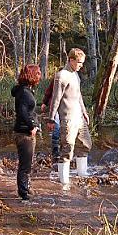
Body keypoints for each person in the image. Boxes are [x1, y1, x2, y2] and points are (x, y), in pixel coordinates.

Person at [47, 48, 92, 189]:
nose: (81, 65)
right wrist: (51, 118)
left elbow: (78, 95)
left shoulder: (75, 75)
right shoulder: (62, 75)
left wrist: (84, 112)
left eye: (82, 63)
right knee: (67, 148)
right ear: (71, 60)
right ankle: (64, 182)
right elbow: (55, 98)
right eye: (79, 62)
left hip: (79, 116)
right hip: (67, 118)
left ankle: (82, 174)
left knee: (85, 144)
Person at [12, 64, 42, 200]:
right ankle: (23, 193)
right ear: (31, 75)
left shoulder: (25, 90)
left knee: (27, 164)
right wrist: (31, 126)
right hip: (24, 133)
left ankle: (26, 188)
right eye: (37, 74)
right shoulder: (24, 93)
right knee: (25, 165)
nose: (39, 76)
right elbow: (22, 112)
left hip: (25, 132)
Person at [39, 78, 60, 161]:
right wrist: (44, 102)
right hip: (55, 106)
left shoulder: (72, 77)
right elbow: (49, 91)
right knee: (56, 128)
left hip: (66, 107)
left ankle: (62, 151)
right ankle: (55, 152)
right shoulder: (56, 79)